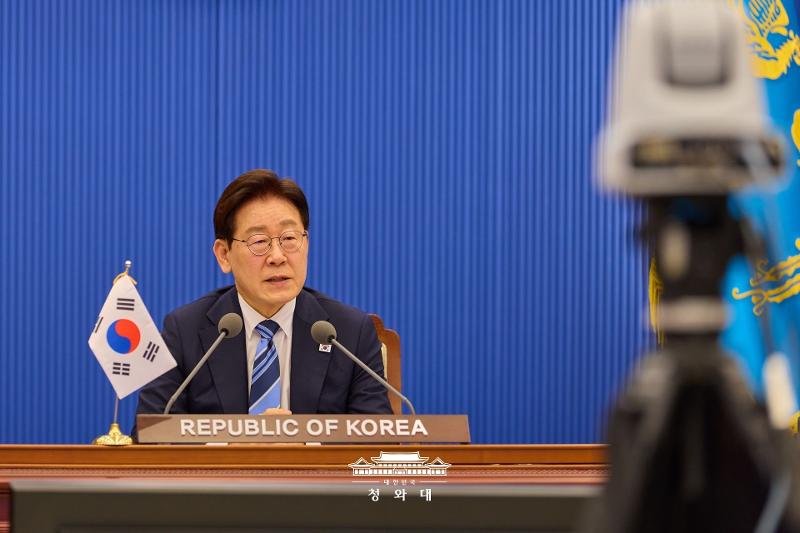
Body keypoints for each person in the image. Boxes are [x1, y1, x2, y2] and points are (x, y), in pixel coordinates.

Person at [136, 169, 391, 415]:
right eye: (259, 242)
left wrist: (299, 444)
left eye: (290, 238)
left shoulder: (349, 333)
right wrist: (243, 448)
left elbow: (375, 442)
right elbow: (152, 436)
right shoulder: (185, 331)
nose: (278, 257)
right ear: (224, 255)